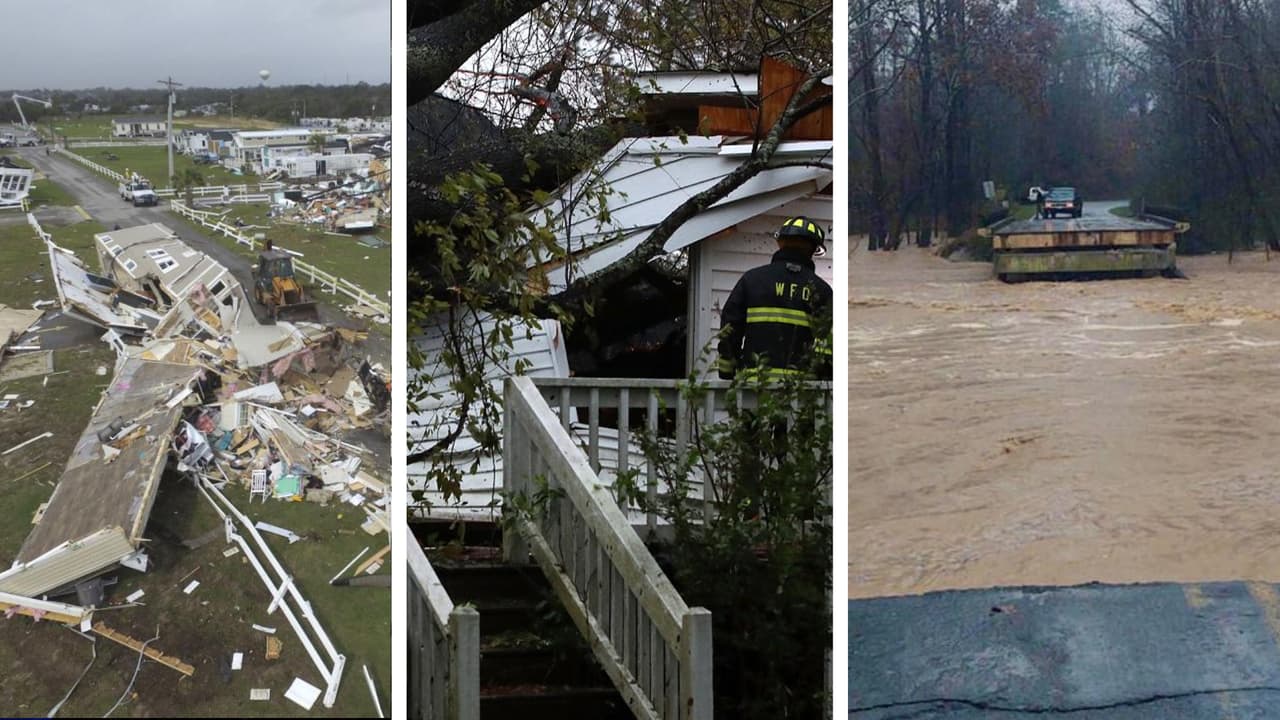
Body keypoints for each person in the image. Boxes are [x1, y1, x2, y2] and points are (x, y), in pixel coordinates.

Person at [716, 216, 833, 381]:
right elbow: (829, 345)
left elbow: (730, 328)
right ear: (813, 249)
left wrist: (726, 372)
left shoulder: (752, 280)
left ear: (780, 243)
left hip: (753, 389)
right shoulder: (823, 291)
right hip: (802, 394)